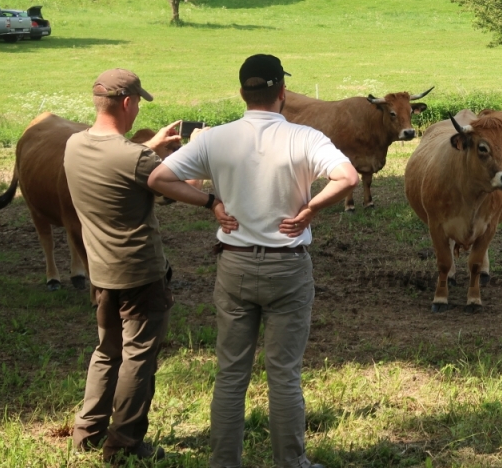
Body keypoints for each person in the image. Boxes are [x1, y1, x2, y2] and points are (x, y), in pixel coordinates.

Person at [148, 54, 359, 468]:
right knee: (284, 374)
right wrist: (310, 210)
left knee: (230, 374)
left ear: (242, 92)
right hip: (288, 266)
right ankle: (291, 463)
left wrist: (211, 202)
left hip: (235, 265)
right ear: (282, 92)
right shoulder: (305, 137)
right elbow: (348, 178)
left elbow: (158, 178)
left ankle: (224, 462)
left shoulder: (214, 138)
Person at [66, 69, 189, 463]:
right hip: (140, 273)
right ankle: (125, 443)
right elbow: (177, 187)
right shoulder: (136, 158)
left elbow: (117, 161)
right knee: (139, 356)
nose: (137, 110)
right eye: (137, 103)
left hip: (101, 273)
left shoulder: (73, 145)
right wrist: (207, 190)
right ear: (126, 103)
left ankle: (86, 432)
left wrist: (151, 145)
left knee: (106, 351)